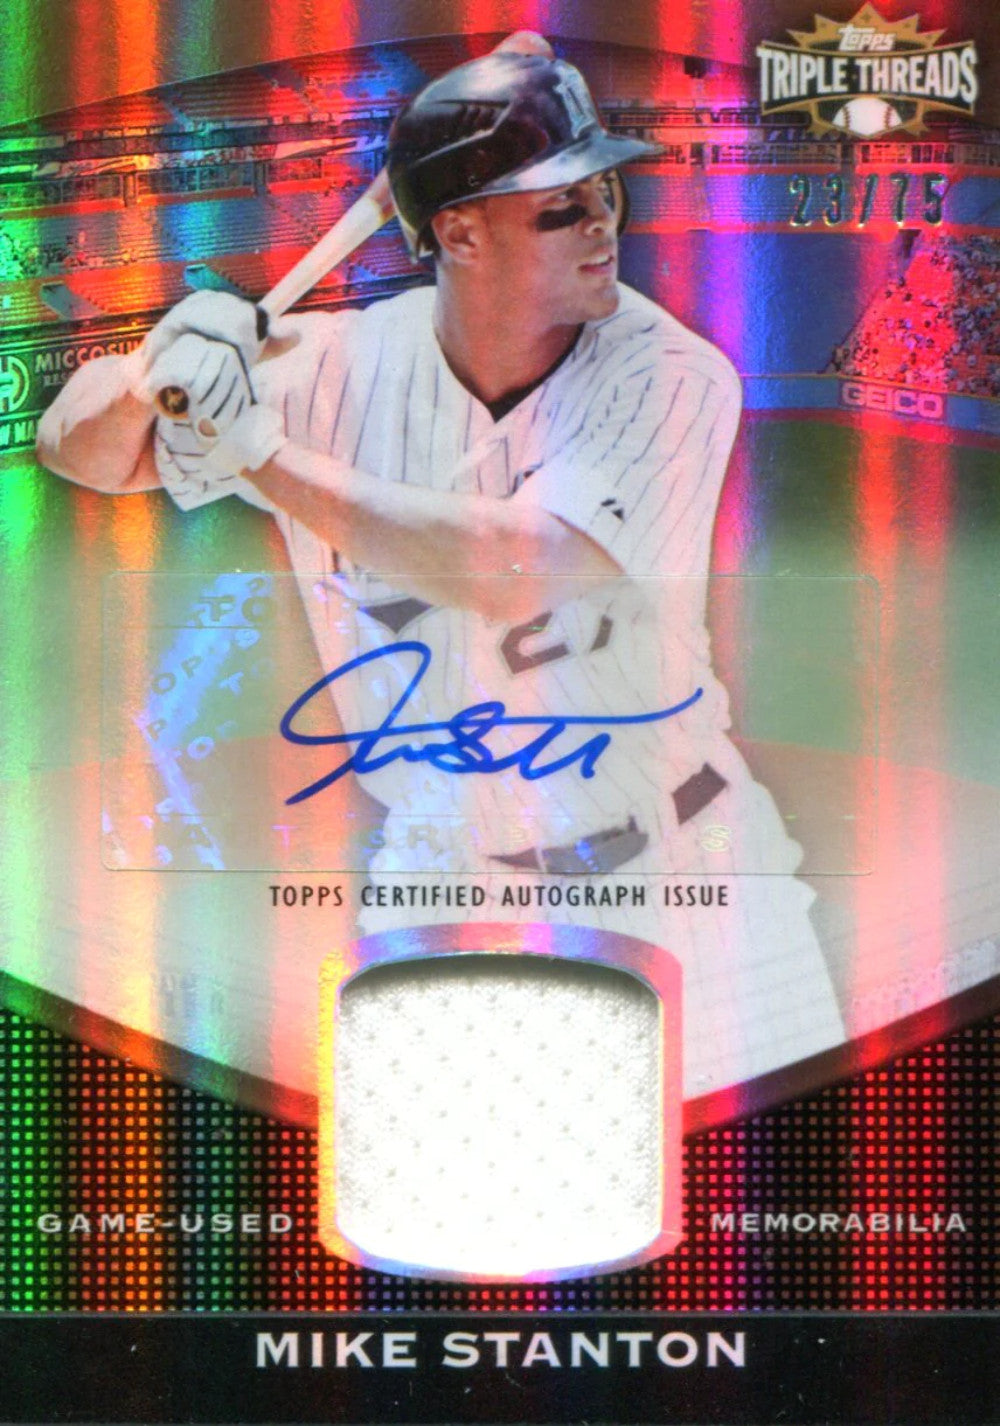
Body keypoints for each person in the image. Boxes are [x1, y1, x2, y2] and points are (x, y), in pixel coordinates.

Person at [37, 48, 845, 1098]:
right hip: (443, 874)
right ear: (458, 232)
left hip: (684, 871)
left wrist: (259, 455)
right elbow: (80, 451)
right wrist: (156, 371)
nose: (604, 225)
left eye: (607, 193)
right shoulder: (336, 366)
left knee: (783, 1168)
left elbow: (520, 567)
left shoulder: (671, 375)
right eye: (562, 208)